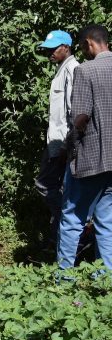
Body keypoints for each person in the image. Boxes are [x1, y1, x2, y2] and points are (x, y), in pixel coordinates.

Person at [61, 25, 112, 271]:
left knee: (72, 218)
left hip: (92, 159)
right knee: (107, 222)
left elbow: (80, 118)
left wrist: (71, 142)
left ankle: (63, 279)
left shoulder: (85, 70)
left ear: (90, 43)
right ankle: (106, 279)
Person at [35, 30, 79, 251]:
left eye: (54, 49)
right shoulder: (62, 70)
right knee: (58, 188)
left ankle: (74, 226)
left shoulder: (72, 70)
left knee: (44, 185)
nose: (50, 53)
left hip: (62, 143)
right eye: (48, 49)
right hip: (56, 142)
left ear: (66, 48)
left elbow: (74, 111)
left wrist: (66, 144)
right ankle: (59, 237)